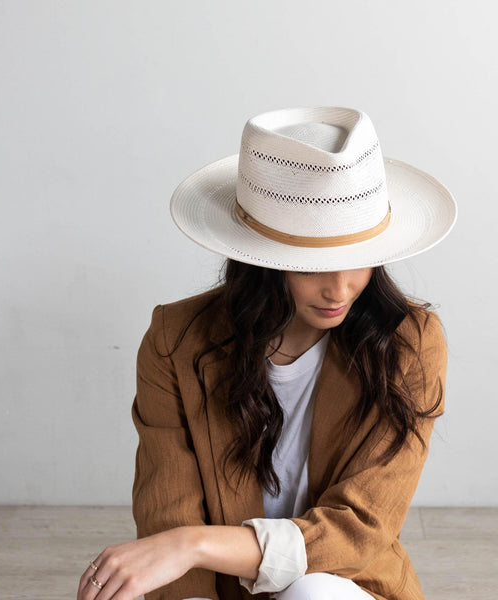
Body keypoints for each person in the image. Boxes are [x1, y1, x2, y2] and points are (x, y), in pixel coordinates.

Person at [77, 106, 457, 600]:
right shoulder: (176, 341)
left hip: (345, 582)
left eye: (358, 259)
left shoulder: (408, 343)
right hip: (223, 590)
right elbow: (168, 509)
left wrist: (192, 544)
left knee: (311, 593)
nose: (340, 289)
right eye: (311, 265)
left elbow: (360, 528)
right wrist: (182, 558)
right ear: (262, 261)